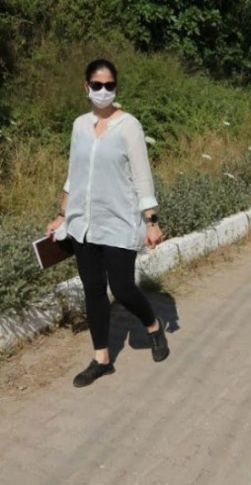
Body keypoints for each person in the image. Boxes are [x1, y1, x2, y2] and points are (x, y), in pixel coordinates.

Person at [46, 59, 169, 388]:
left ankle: (153, 325)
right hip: (84, 223)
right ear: (86, 87)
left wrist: (151, 221)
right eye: (97, 85)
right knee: (94, 290)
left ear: (116, 88)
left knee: (124, 287)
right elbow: (75, 174)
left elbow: (143, 177)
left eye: (109, 85)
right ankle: (102, 358)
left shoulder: (129, 126)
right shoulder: (79, 125)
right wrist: (62, 213)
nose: (103, 91)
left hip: (118, 221)